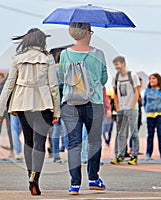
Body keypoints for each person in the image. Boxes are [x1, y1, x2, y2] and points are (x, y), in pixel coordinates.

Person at [0, 28, 60, 196]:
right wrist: (57, 111)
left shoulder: (17, 59)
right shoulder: (47, 59)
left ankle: (29, 175)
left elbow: (9, 84)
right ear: (41, 41)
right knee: (40, 143)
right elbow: (53, 86)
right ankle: (35, 177)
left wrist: (0, 109)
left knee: (28, 142)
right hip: (43, 104)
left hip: (22, 103)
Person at [59, 22, 108, 195]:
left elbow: (61, 77)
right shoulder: (99, 54)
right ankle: (94, 179)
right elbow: (104, 79)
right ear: (87, 33)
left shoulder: (64, 54)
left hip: (71, 103)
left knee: (73, 144)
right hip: (94, 102)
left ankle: (74, 184)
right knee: (94, 141)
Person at [110, 56, 140, 165]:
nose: (116, 67)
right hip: (121, 109)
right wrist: (117, 107)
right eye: (115, 65)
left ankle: (134, 156)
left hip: (132, 108)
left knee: (133, 132)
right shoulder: (116, 78)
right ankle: (120, 155)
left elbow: (137, 91)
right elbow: (115, 93)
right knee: (120, 133)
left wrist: (132, 105)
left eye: (118, 64)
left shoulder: (132, 76)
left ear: (123, 63)